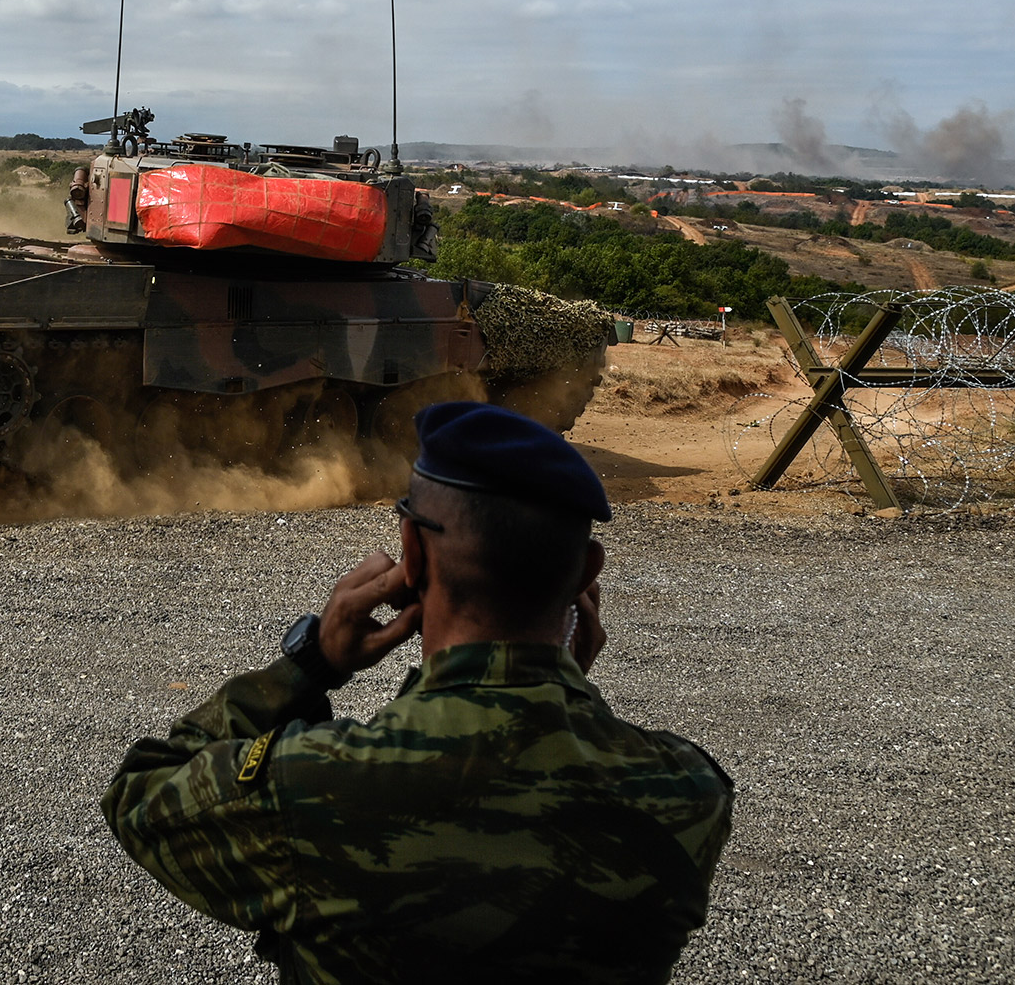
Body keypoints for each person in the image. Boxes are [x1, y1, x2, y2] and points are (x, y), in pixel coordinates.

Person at [101, 402, 734, 983]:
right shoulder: (687, 794)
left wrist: (312, 663)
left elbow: (141, 792)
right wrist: (559, 687)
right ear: (587, 574)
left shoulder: (312, 785)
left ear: (412, 557)